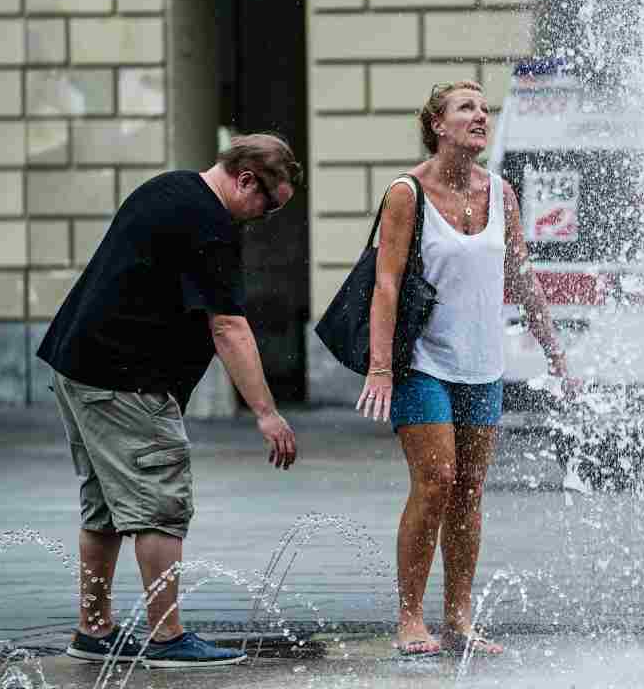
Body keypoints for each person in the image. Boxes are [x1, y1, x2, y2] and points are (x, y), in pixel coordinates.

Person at [38, 134, 304, 666]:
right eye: (268, 204)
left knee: (105, 507)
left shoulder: (169, 187)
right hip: (124, 379)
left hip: (79, 363)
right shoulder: (209, 224)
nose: (264, 217)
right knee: (161, 503)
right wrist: (267, 413)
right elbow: (228, 326)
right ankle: (167, 638)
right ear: (246, 179)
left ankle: (93, 631)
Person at [357, 81, 576, 658]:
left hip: (483, 366)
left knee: (470, 492)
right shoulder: (407, 193)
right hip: (423, 364)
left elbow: (522, 275)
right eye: (467, 108)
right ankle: (410, 618)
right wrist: (380, 368)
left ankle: (458, 619)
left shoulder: (500, 191)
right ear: (437, 124)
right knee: (436, 483)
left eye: (485, 109)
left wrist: (554, 351)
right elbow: (386, 284)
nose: (481, 116)